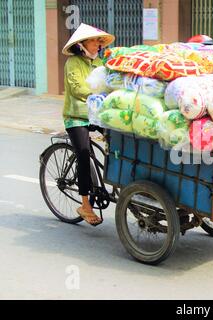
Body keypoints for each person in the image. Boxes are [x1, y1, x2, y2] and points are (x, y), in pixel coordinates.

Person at [61, 23, 115, 226]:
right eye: (94, 41)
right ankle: (85, 205)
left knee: (118, 140)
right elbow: (77, 89)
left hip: (96, 114)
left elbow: (108, 82)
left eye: (99, 42)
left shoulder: (99, 62)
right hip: (76, 116)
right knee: (83, 155)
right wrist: (98, 94)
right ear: (82, 44)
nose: (97, 45)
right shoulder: (73, 63)